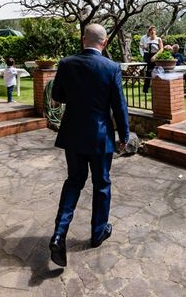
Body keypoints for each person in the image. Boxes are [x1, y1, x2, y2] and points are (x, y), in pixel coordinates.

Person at [49, 24, 130, 267]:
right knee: (101, 183)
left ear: (84, 40)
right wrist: (124, 135)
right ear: (104, 43)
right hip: (100, 136)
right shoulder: (111, 67)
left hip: (73, 134)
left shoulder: (66, 63)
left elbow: (58, 96)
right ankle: (98, 232)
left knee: (74, 181)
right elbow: (119, 105)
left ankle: (59, 234)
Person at [139, 25, 163, 93]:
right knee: (148, 72)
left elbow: (161, 49)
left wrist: (155, 56)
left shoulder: (158, 39)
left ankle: (159, 88)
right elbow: (148, 48)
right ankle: (145, 90)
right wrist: (143, 47)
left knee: (157, 72)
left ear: (155, 32)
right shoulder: (148, 39)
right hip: (148, 56)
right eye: (151, 30)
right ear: (149, 32)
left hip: (156, 56)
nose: (152, 31)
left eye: (154, 30)